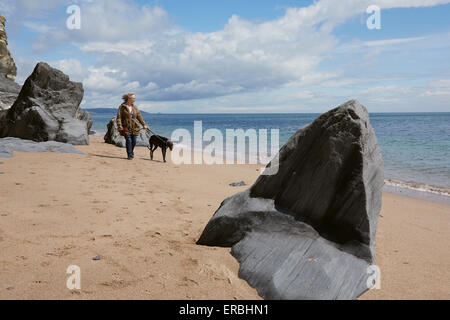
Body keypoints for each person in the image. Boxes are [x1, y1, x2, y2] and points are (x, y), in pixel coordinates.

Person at [116, 92, 149, 160]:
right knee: (129, 140)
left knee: (134, 141)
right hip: (126, 126)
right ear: (129, 99)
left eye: (134, 98)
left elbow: (139, 116)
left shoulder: (135, 107)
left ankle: (131, 152)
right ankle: (130, 155)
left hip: (135, 127)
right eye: (133, 98)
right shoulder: (122, 107)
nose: (134, 99)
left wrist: (144, 124)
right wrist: (119, 125)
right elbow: (119, 117)